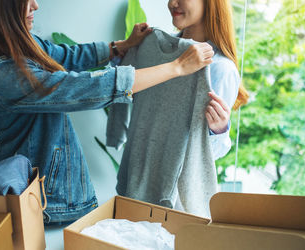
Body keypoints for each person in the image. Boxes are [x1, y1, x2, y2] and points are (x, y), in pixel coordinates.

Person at [0, 0, 213, 225]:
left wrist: (119, 46)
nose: (35, 5)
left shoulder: (10, 46)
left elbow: (63, 54)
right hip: (44, 207)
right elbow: (80, 88)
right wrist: (176, 67)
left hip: (48, 200)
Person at [106, 0, 249, 218]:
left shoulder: (220, 68)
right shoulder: (150, 47)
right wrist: (124, 49)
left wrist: (218, 129)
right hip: (133, 185)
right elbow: (118, 89)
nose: (172, 3)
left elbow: (209, 156)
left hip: (177, 206)